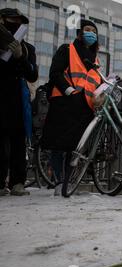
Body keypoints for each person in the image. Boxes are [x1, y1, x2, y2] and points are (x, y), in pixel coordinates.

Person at [41, 19, 103, 196]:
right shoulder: (67, 49)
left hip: (84, 107)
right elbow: (55, 72)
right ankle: (59, 180)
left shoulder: (96, 60)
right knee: (58, 144)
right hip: (64, 101)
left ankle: (67, 182)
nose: (91, 33)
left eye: (94, 31)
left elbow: (95, 83)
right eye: (87, 30)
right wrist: (69, 91)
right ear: (80, 33)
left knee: (74, 147)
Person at [0, 8, 38, 197]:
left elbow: (32, 75)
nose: (15, 23)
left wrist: (20, 57)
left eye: (18, 21)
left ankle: (17, 182)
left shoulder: (28, 48)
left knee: (17, 142)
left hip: (17, 99)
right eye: (11, 19)